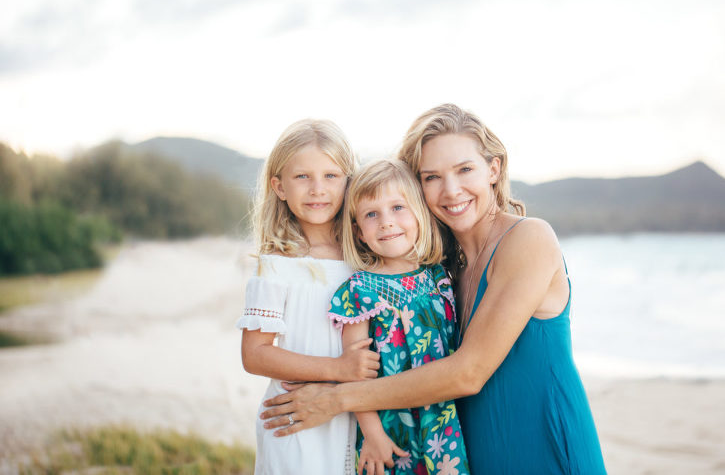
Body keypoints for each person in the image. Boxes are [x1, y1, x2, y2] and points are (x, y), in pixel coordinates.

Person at [260, 105, 607, 475]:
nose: (451, 189)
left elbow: (467, 373)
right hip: (471, 455)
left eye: (465, 169)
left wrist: (336, 399)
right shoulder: (445, 271)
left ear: (495, 168)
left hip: (545, 450)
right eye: (431, 177)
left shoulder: (529, 238)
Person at [236, 119, 380, 474]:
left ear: (350, 182)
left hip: (358, 416)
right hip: (296, 420)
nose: (318, 189)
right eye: (303, 177)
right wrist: (337, 369)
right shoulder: (277, 264)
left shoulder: (364, 257)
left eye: (331, 176)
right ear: (279, 186)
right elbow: (254, 355)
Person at [328, 159, 470, 475]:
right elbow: (355, 371)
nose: (386, 222)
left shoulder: (440, 276)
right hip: (390, 428)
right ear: (359, 232)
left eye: (397, 208)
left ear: (419, 213)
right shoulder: (360, 290)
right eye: (371, 214)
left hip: (445, 421)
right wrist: (374, 433)